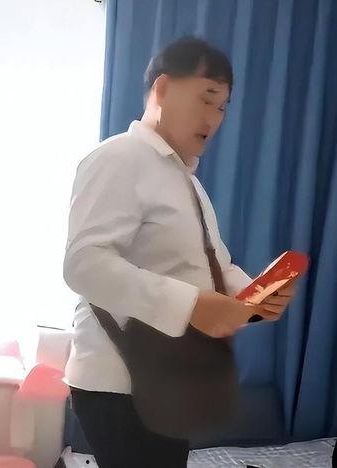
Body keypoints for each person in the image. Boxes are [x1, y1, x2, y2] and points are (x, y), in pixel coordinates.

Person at [63, 37, 296, 467]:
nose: (214, 118)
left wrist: (255, 296)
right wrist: (191, 305)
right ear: (163, 89)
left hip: (169, 376)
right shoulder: (119, 157)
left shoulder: (186, 179)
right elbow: (84, 264)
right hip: (120, 382)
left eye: (222, 107)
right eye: (206, 99)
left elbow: (214, 263)